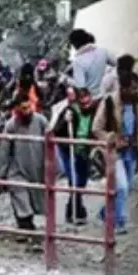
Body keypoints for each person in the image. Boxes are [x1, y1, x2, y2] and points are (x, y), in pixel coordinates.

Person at [92, 69, 138, 234]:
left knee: (126, 187)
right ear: (123, 88)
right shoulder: (108, 102)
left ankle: (104, 213)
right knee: (121, 186)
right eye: (132, 88)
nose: (135, 91)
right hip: (114, 152)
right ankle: (119, 222)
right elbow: (96, 128)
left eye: (137, 88)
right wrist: (113, 138)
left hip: (133, 151)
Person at [0, 96, 48, 233]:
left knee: (37, 198)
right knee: (19, 195)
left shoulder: (41, 121)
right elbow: (4, 151)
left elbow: (50, 143)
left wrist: (51, 167)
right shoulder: (11, 125)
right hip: (17, 169)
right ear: (17, 109)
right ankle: (25, 225)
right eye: (23, 108)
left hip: (37, 166)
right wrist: (1, 174)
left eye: (29, 107)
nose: (27, 111)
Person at [51, 86, 96, 225]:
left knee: (81, 182)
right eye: (82, 102)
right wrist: (65, 120)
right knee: (74, 181)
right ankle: (77, 212)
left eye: (88, 101)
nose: (85, 104)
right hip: (68, 150)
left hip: (84, 151)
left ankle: (73, 209)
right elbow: (56, 131)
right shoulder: (69, 111)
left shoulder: (95, 112)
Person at [67, 29, 117, 98]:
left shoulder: (77, 62)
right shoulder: (102, 51)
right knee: (129, 103)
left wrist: (68, 81)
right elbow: (117, 63)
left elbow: (81, 85)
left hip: (100, 97)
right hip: (115, 86)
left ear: (75, 45)